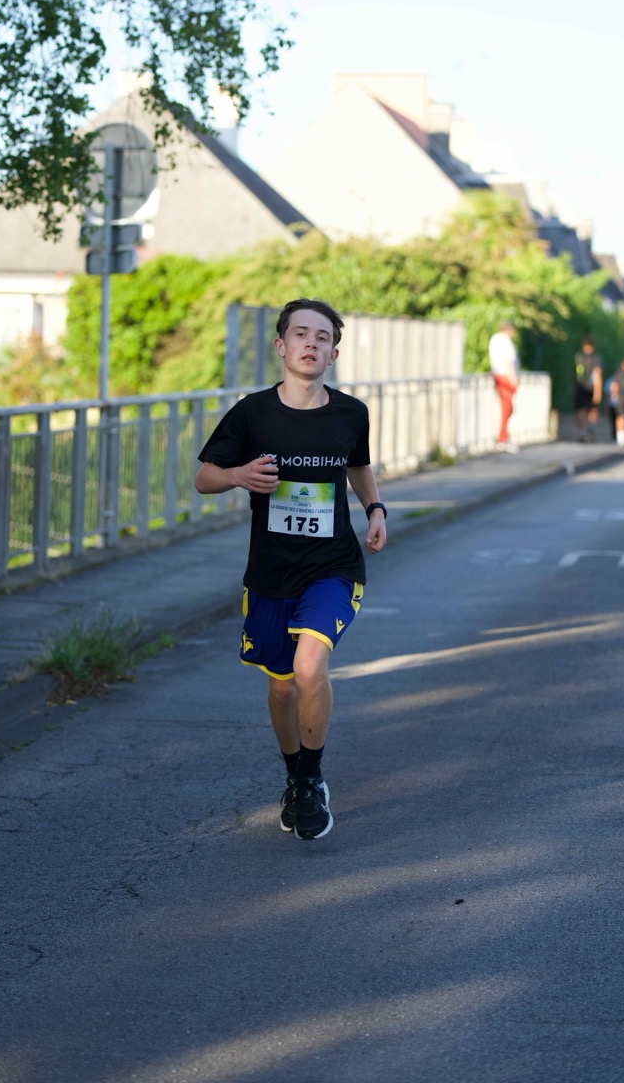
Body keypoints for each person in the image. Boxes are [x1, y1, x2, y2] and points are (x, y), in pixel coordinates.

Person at [194, 298, 387, 841]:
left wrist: (375, 509)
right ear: (281, 345)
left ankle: (310, 779)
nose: (311, 343)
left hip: (333, 567)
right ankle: (293, 774)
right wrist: (238, 476)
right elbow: (204, 477)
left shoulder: (350, 413)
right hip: (271, 574)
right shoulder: (253, 413)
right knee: (281, 689)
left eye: (322, 338)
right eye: (300, 334)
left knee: (308, 668)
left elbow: (357, 464)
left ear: (333, 354)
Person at [488, 320, 519, 453]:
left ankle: (504, 436)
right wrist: (513, 379)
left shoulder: (494, 339)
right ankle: (502, 438)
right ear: (509, 330)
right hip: (505, 376)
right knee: (507, 408)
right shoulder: (505, 341)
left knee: (506, 407)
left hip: (497, 375)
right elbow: (509, 361)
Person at [573, 336, 603, 442]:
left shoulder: (578, 357)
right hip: (591, 388)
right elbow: (597, 375)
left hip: (580, 387)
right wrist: (598, 392)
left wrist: (573, 388)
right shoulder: (595, 358)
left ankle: (582, 432)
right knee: (592, 409)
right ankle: (591, 429)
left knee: (580, 410)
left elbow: (574, 374)